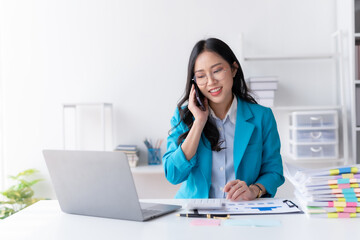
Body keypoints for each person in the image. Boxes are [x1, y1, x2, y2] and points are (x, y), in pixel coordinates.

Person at [163, 38, 284, 201]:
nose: (211, 82)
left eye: (217, 70)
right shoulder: (184, 116)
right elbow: (173, 174)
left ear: (234, 69)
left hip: (243, 211)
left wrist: (254, 190)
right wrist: (198, 123)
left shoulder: (262, 117)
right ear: (194, 82)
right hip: (195, 213)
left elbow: (274, 172)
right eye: (201, 76)